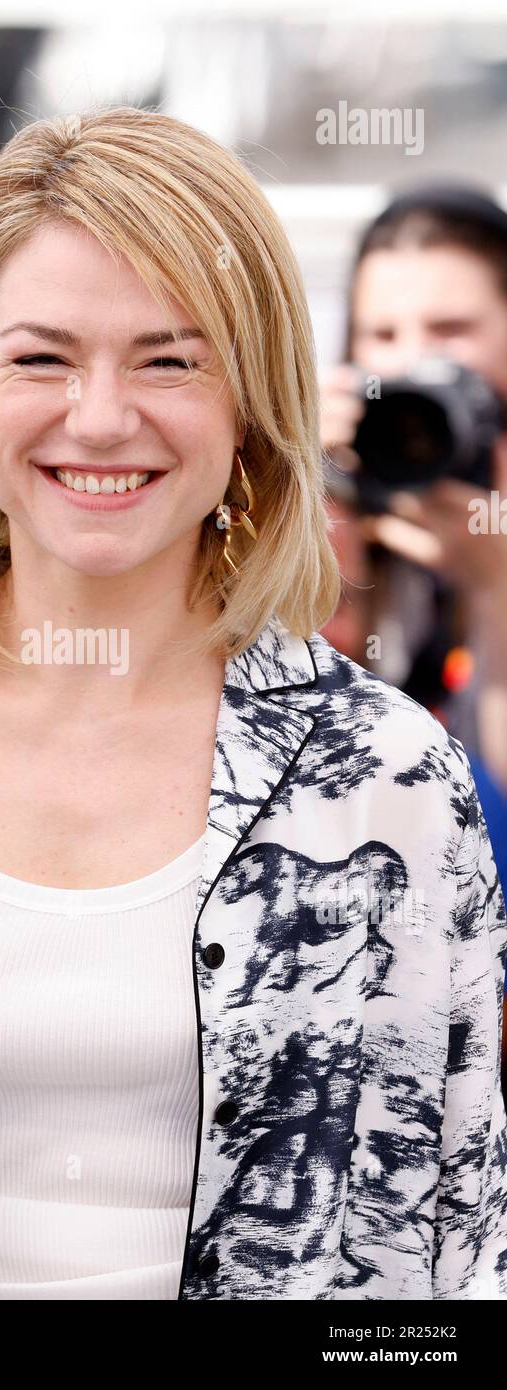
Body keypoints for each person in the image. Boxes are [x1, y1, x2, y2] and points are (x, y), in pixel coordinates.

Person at [0, 107, 507, 1301]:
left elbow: (443, 1254)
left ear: (250, 401)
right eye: (43, 357)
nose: (103, 416)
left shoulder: (388, 776)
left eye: (171, 358)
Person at [319, 184, 507, 1091]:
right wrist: (280, 486)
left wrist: (494, 585)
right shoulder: (339, 500)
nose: (416, 364)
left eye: (452, 328)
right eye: (383, 337)